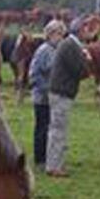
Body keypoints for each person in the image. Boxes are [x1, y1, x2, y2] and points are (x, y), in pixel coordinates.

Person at [45, 17, 92, 177]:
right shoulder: (71, 46)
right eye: (85, 29)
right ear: (79, 30)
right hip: (61, 92)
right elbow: (81, 71)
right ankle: (54, 167)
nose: (88, 32)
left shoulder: (71, 45)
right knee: (59, 130)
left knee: (56, 128)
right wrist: (87, 60)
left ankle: (54, 164)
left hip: (59, 91)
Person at [28, 20, 66, 168]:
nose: (61, 37)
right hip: (42, 96)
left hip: (53, 95)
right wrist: (45, 88)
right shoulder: (44, 50)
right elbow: (34, 73)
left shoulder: (56, 50)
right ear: (50, 34)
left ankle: (48, 156)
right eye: (59, 34)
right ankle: (40, 158)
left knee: (50, 126)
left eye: (62, 34)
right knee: (42, 127)